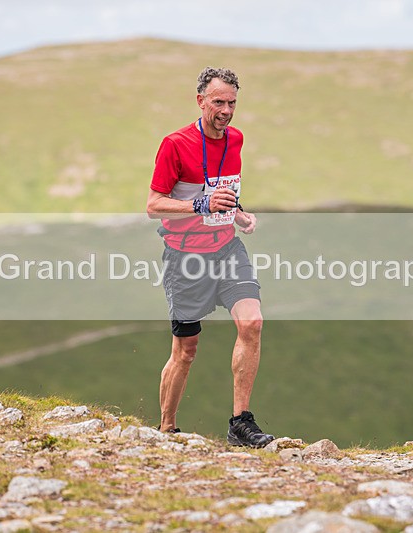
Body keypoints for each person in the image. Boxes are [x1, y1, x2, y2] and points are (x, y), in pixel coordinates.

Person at [146, 66, 275, 448]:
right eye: (218, 102)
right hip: (185, 257)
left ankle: (241, 423)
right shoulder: (175, 143)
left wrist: (238, 214)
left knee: (251, 323)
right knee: (186, 351)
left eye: (232, 102)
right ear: (200, 100)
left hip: (226, 248)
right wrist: (198, 205)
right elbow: (153, 206)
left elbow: (222, 191)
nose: (226, 111)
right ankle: (167, 427)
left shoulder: (235, 140)